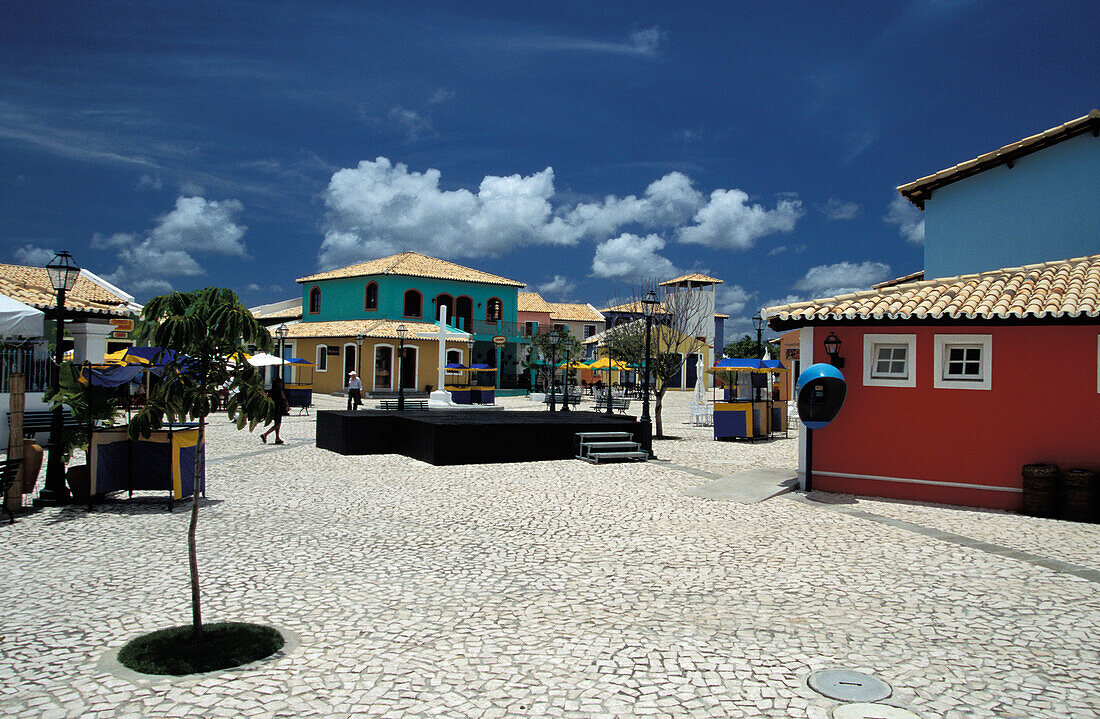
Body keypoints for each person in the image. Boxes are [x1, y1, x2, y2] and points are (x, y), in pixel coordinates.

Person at [261, 378, 288, 445]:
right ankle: (265, 434)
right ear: (278, 383)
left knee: (277, 423)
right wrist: (287, 405)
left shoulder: (271, 390)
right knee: (277, 424)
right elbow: (283, 398)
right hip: (278, 408)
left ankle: (277, 438)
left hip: (273, 408)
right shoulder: (279, 390)